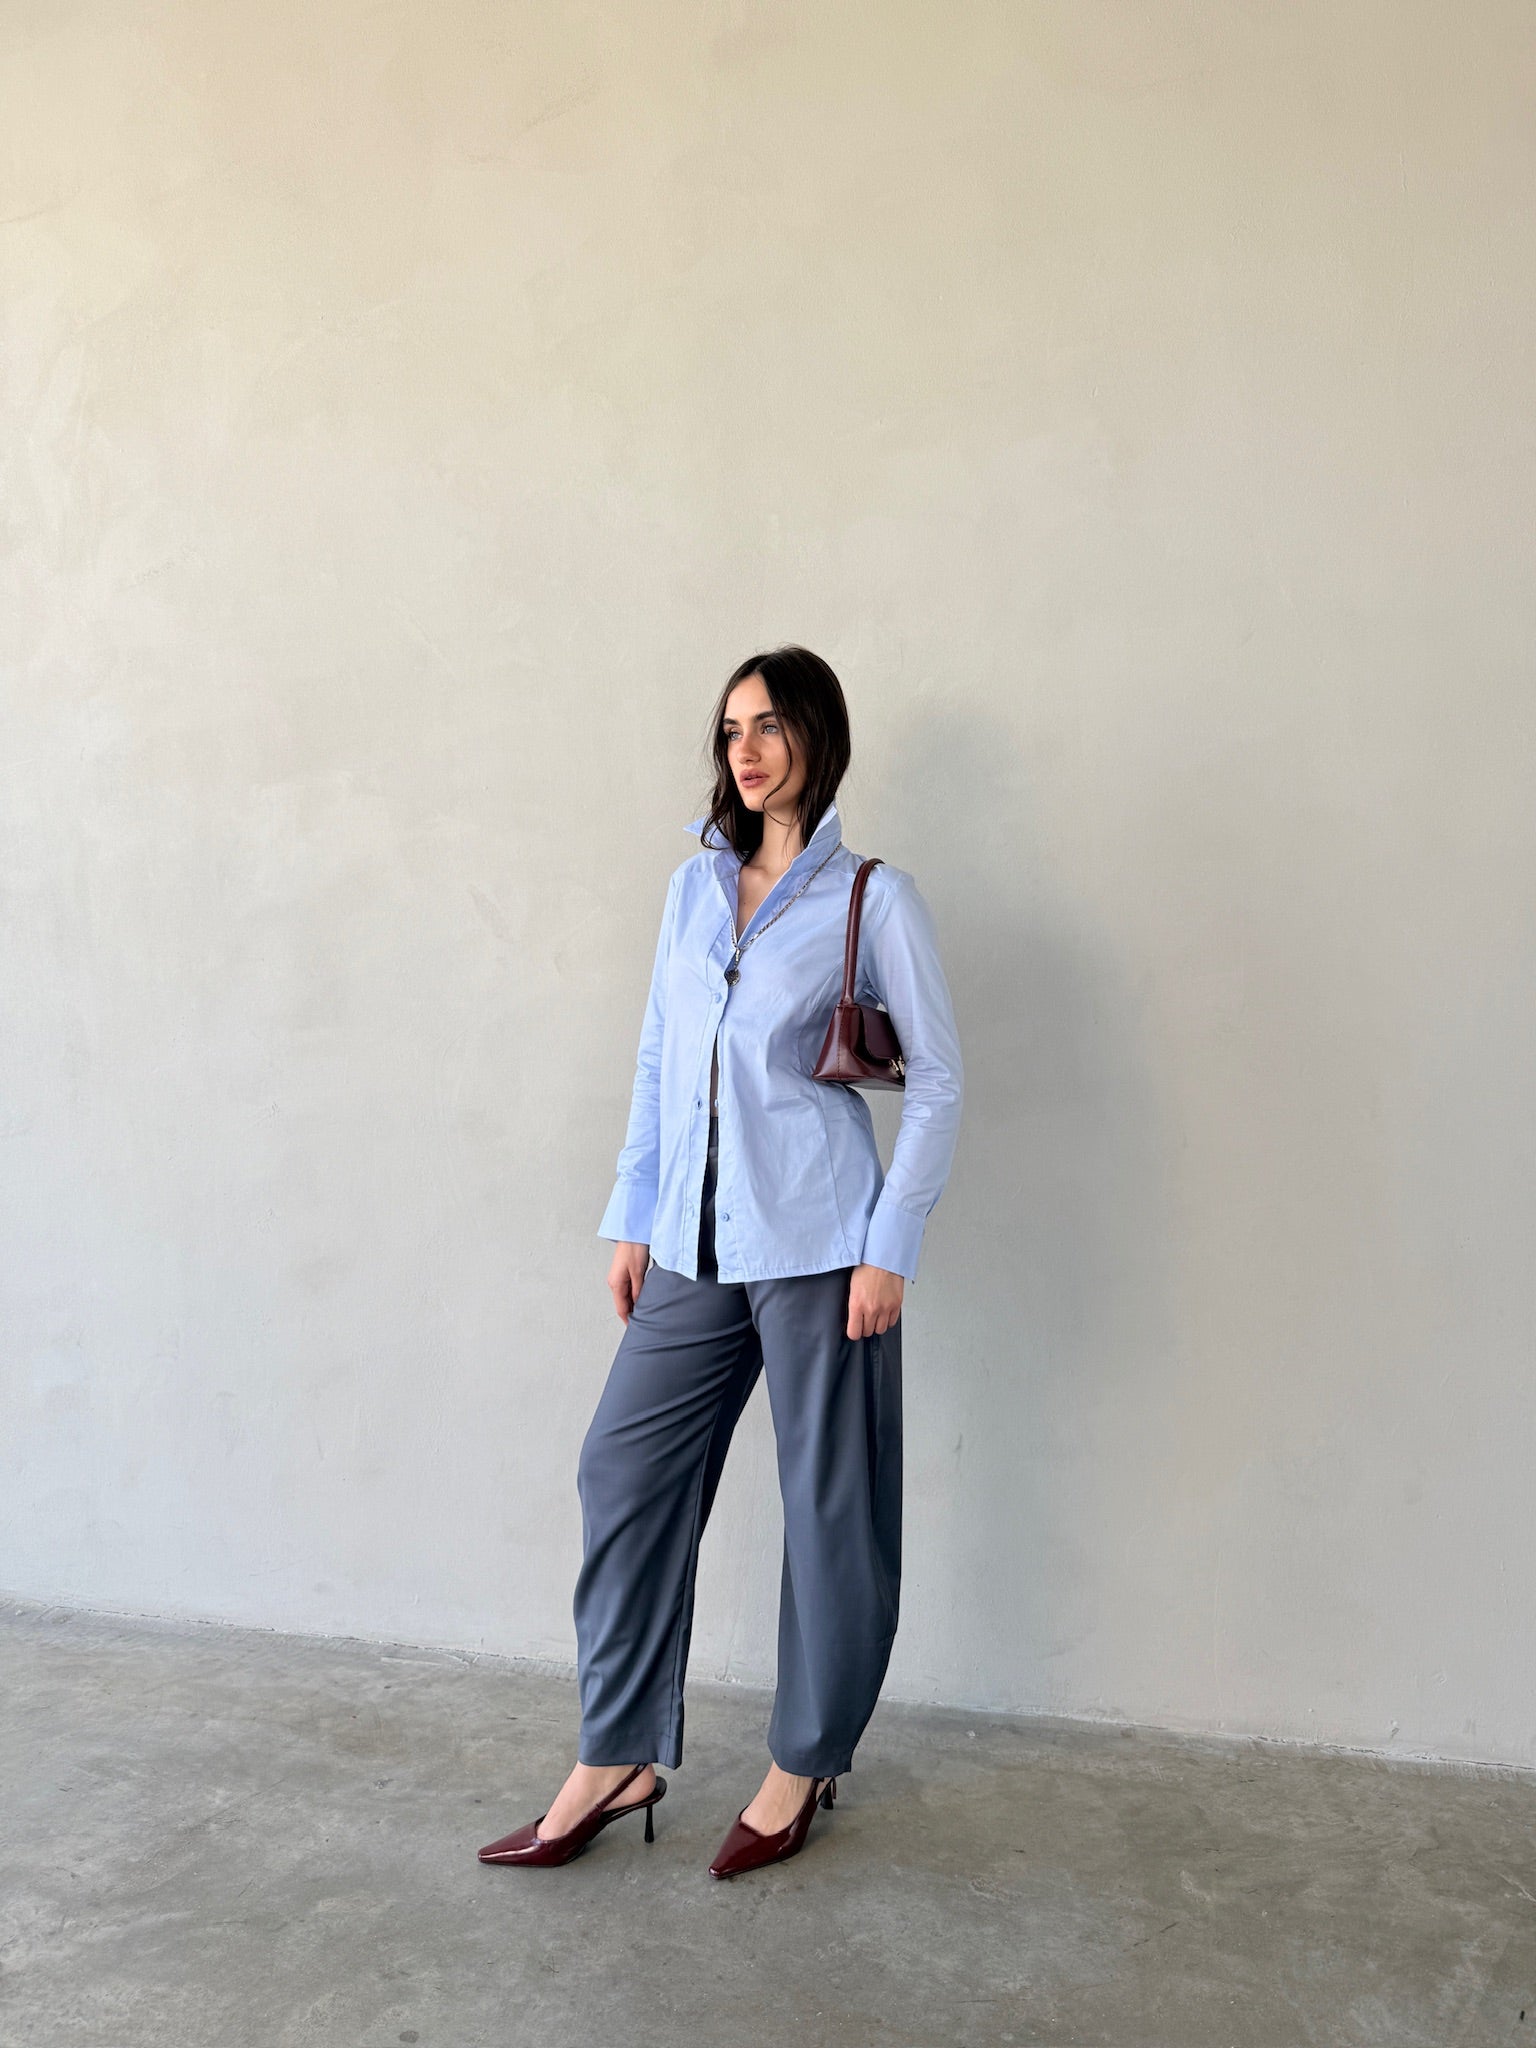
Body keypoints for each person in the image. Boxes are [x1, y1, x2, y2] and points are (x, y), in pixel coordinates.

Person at [477, 645, 964, 1878]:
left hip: (822, 1244)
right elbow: (657, 1056)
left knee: (830, 1507)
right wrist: (634, 1216)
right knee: (622, 1464)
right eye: (731, 727)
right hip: (694, 1240)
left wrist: (890, 1246)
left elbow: (940, 1082)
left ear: (817, 737)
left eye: (770, 725)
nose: (745, 749)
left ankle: (804, 1759)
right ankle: (618, 1750)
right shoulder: (691, 891)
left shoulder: (872, 898)